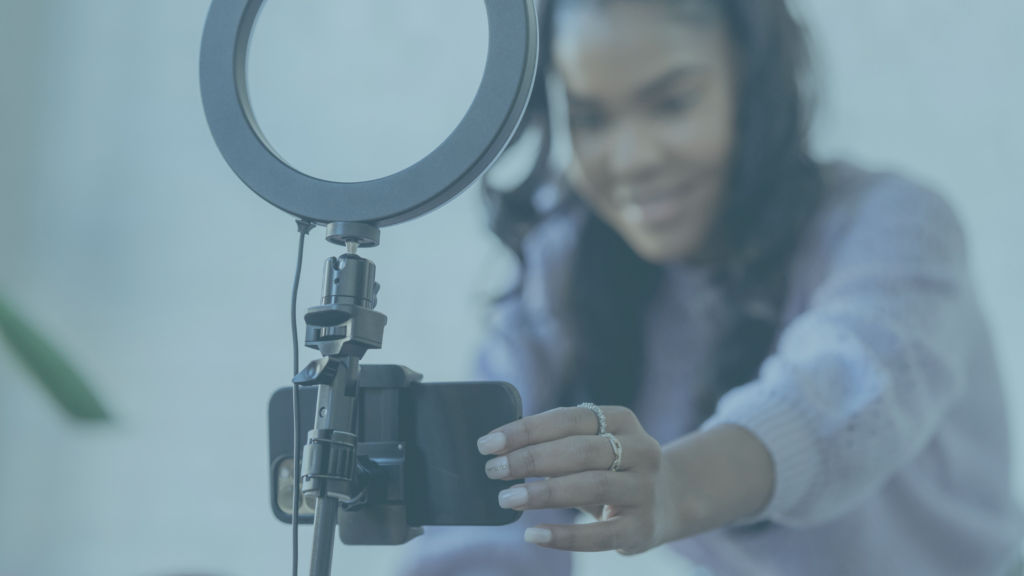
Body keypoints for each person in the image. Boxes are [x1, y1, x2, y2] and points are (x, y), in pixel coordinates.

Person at [399, 0, 1024, 574]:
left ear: (753, 84)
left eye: (671, 103)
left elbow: (840, 395)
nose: (631, 158)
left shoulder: (896, 224)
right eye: (590, 118)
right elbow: (483, 526)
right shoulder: (563, 265)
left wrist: (675, 486)